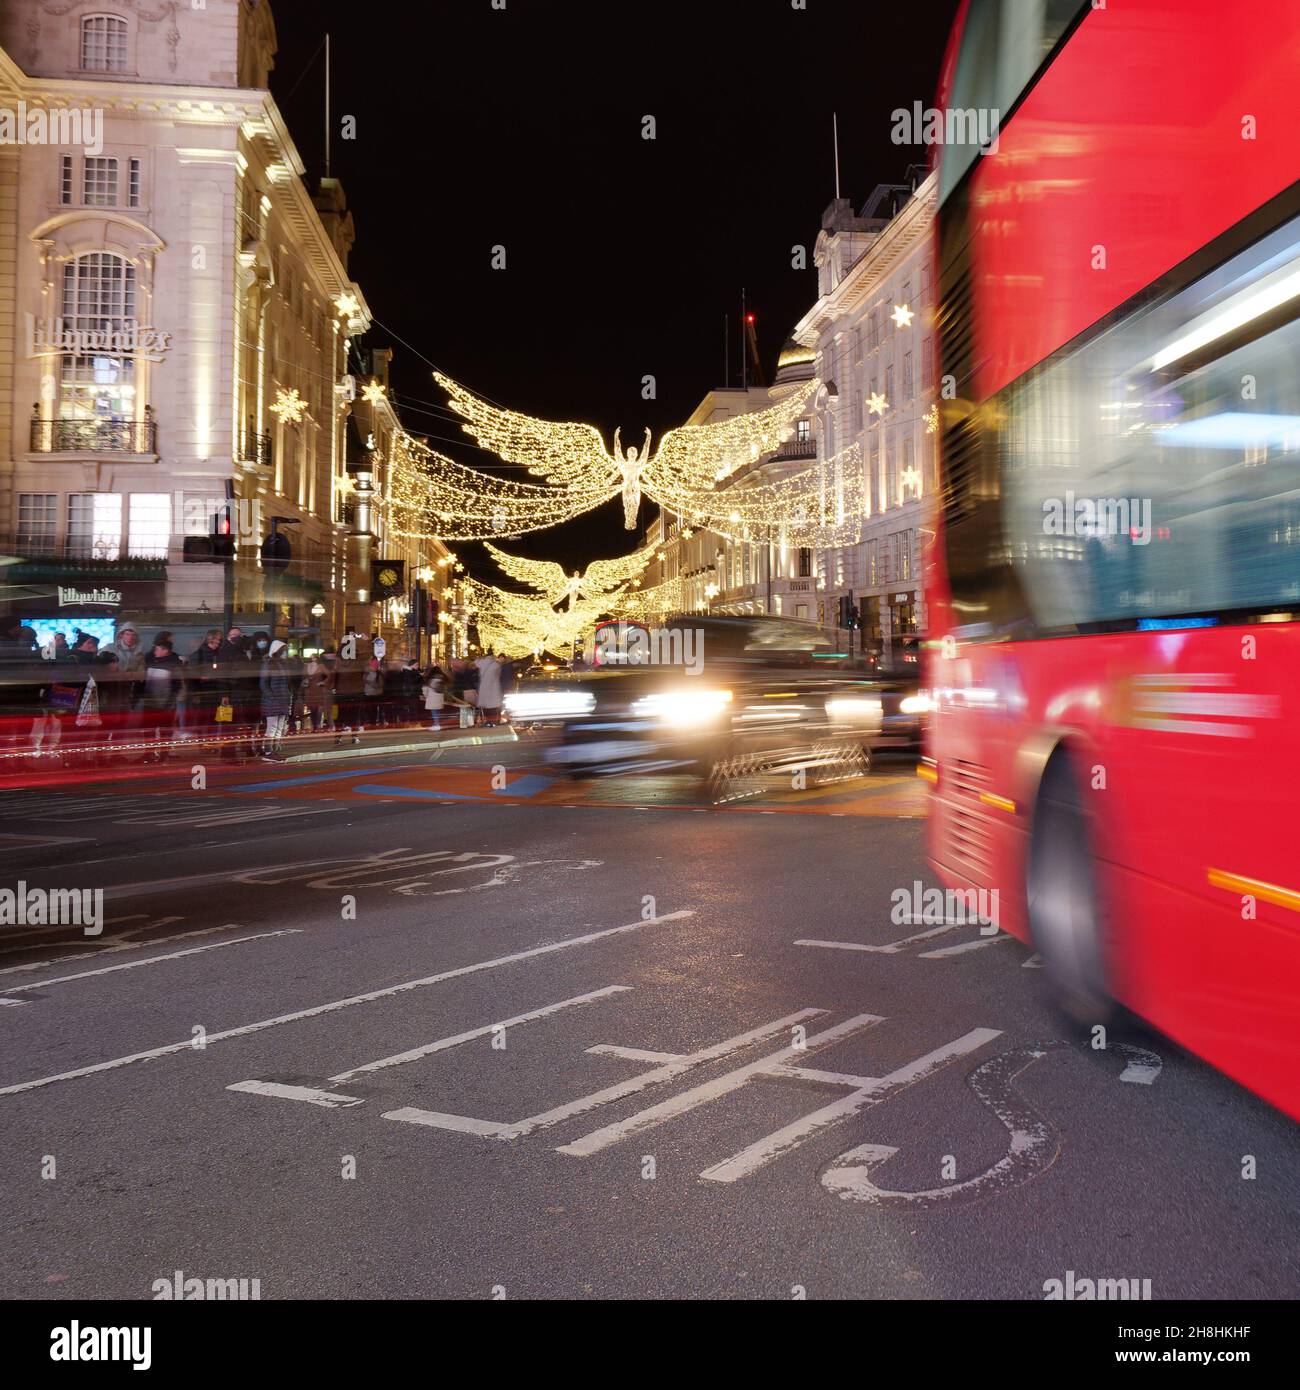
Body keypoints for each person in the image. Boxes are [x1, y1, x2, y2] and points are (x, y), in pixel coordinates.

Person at [141, 637, 185, 761]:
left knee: (165, 730)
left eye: (158, 649)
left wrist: (170, 702)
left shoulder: (173, 665)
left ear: (165, 650)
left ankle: (163, 754)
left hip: (165, 704)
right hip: (150, 702)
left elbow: (177, 686)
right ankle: (149, 753)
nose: (155, 651)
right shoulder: (151, 660)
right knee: (149, 730)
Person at [259, 639, 292, 761]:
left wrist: (288, 697)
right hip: (272, 701)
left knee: (279, 727)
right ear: (276, 650)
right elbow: (263, 684)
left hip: (282, 699)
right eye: (282, 650)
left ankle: (275, 750)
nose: (284, 652)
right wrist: (272, 697)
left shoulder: (282, 664)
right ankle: (268, 751)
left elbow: (286, 683)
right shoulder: (268, 664)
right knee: (272, 727)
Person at [476, 649, 504, 726]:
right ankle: (494, 721)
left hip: (484, 686)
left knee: (485, 705)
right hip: (494, 687)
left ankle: (487, 721)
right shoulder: (496, 664)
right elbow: (499, 675)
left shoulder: (481, 662)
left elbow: (475, 663)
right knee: (494, 705)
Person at [363, 656, 386, 727]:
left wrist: (368, 682)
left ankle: (373, 723)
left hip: (376, 695)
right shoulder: (367, 673)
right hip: (368, 695)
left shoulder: (378, 675)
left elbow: (379, 685)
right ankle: (370, 722)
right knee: (369, 710)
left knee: (374, 711)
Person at [422, 664, 446, 729]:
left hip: (432, 697)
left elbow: (425, 688)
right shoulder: (442, 678)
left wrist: (425, 695)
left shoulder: (430, 679)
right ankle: (436, 723)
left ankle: (436, 724)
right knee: (437, 711)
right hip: (440, 697)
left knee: (434, 711)